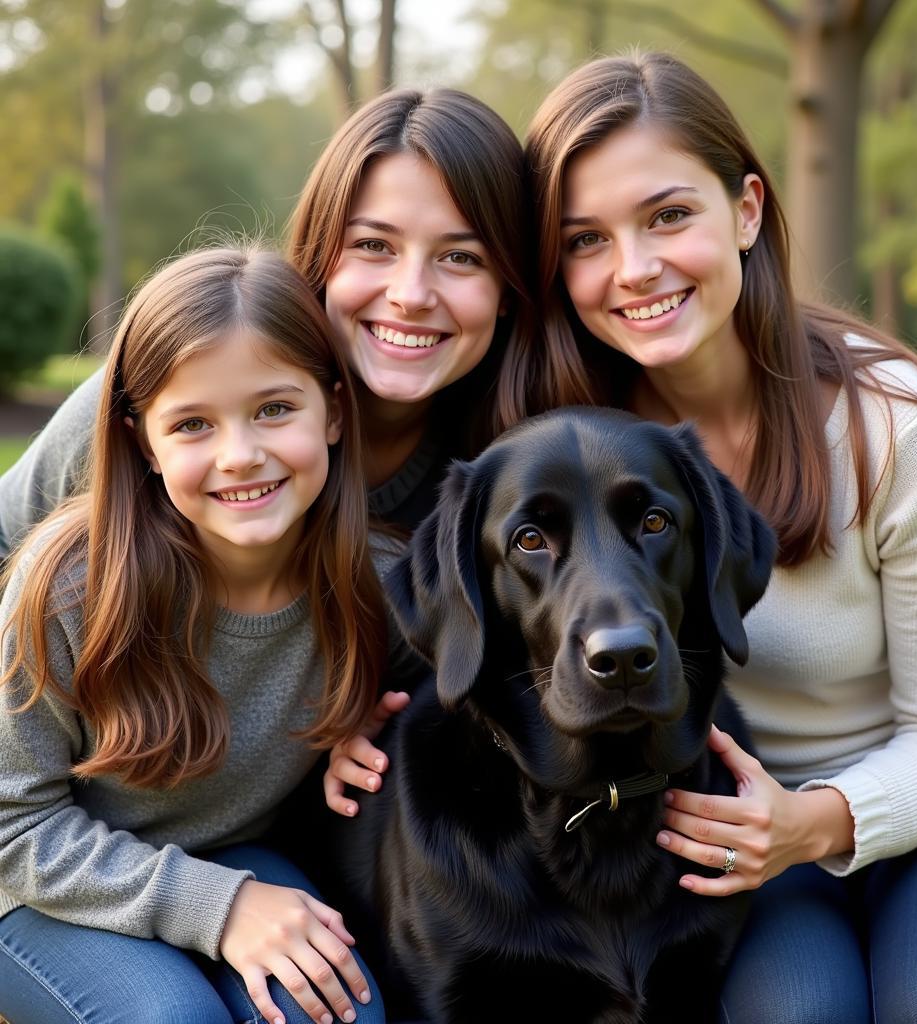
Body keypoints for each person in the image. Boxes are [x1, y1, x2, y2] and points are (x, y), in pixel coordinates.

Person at [519, 51, 917, 1023]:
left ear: (746, 210)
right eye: (586, 238)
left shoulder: (892, 428)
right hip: (734, 821)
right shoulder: (570, 444)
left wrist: (812, 822)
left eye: (668, 215)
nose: (635, 268)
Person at [0, 245, 390, 1024]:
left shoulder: (376, 581)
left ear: (335, 411)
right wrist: (218, 907)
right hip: (38, 884)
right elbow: (12, 824)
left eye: (275, 409)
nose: (240, 455)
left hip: (224, 855)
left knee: (338, 1010)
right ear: (145, 443)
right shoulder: (68, 587)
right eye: (193, 424)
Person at [0, 86, 555, 555]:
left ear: (508, 286)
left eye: (461, 257)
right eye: (373, 245)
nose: (410, 295)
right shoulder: (176, 391)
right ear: (319, 252)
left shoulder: (528, 461)